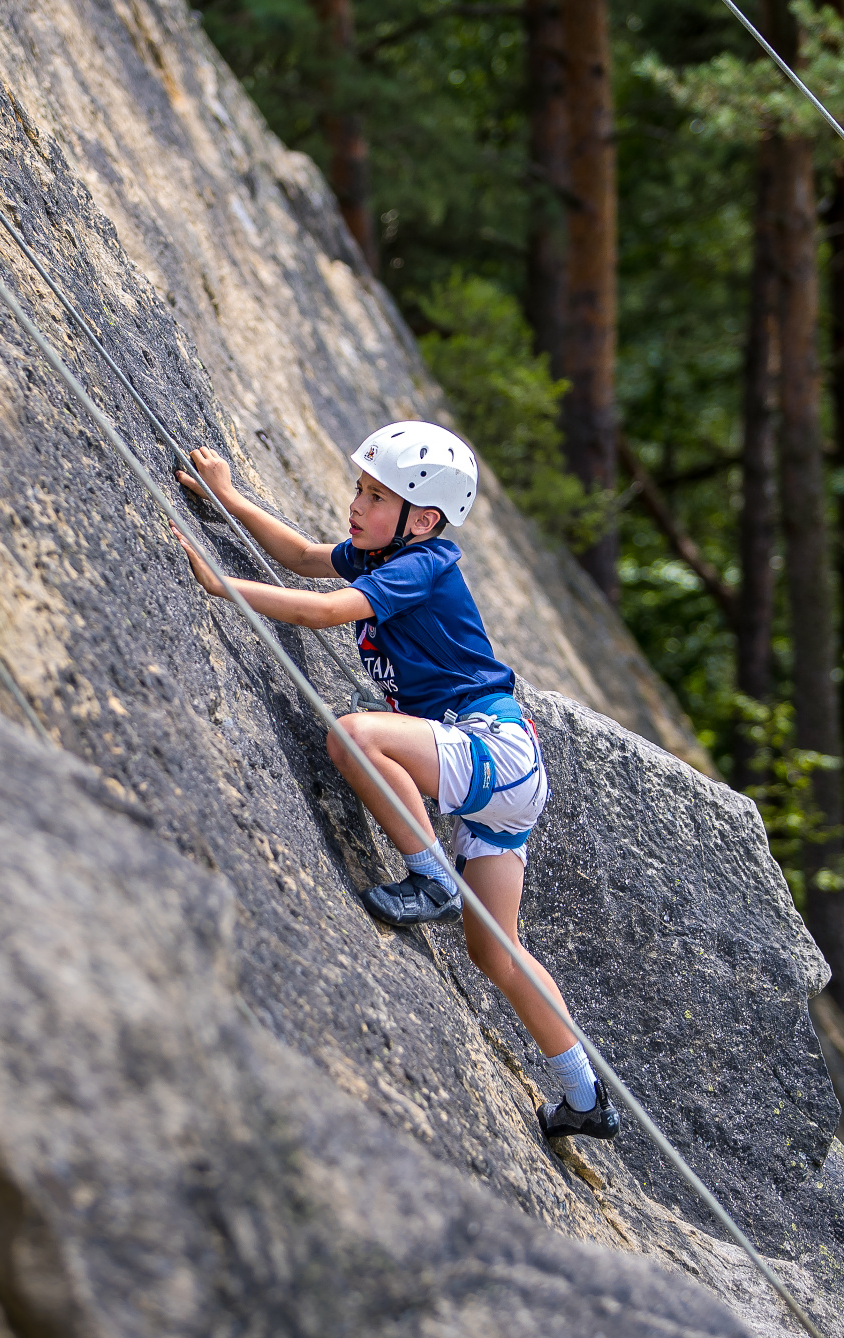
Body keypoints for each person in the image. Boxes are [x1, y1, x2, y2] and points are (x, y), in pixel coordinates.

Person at [171, 422, 620, 1143]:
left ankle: (431, 876)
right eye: (360, 487)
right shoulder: (385, 553)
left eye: (375, 494)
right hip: (507, 774)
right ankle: (584, 1093)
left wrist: (224, 587)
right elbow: (305, 557)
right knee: (494, 952)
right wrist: (229, 498)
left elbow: (320, 610)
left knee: (355, 736)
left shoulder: (425, 566)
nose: (355, 502)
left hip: (490, 748)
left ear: (424, 518)